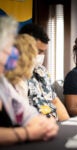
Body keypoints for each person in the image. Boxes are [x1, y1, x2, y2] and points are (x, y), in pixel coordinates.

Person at [0, 16, 58, 146]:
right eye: (7, 48)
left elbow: (25, 113)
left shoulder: (3, 83)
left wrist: (44, 124)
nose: (12, 53)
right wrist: (27, 133)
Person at [19, 23, 70, 121]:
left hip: (55, 125)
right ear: (23, 47)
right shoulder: (13, 75)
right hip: (35, 128)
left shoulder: (42, 71)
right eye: (38, 51)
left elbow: (55, 101)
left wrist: (68, 124)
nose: (41, 55)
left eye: (43, 52)